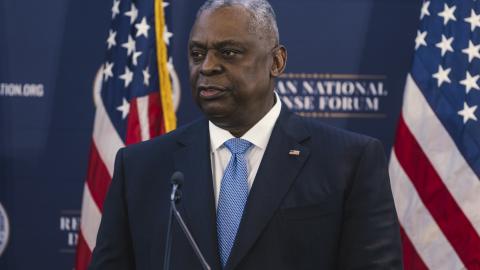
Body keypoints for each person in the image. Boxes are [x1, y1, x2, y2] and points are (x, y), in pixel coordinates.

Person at [89, 0, 403, 269]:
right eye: (198, 54)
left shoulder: (349, 162)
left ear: (277, 62)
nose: (207, 67)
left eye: (229, 52)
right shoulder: (140, 167)